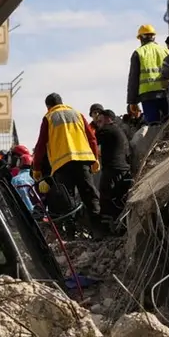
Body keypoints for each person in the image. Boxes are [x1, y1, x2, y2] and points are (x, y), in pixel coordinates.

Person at [33, 93, 105, 235]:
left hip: (62, 164)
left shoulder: (49, 117)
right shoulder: (77, 114)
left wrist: (36, 168)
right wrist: (95, 158)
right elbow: (91, 138)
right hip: (83, 161)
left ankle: (72, 234)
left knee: (67, 199)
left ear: (48, 107)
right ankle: (100, 231)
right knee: (90, 195)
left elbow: (40, 146)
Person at [93, 109, 133, 219]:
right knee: (119, 200)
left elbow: (91, 141)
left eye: (100, 120)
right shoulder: (118, 131)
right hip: (124, 170)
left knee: (106, 201)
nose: (98, 123)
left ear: (108, 119)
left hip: (113, 171)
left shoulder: (107, 130)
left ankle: (109, 229)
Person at [126, 25, 169, 125]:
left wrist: (132, 101)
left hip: (147, 95)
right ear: (154, 37)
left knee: (153, 125)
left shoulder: (138, 53)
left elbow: (133, 79)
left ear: (141, 38)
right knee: (168, 121)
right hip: (165, 91)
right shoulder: (165, 50)